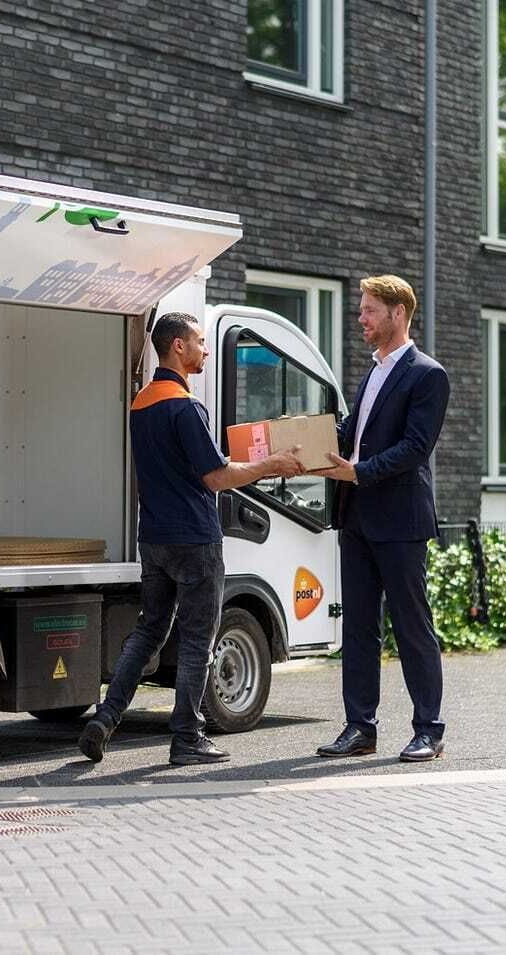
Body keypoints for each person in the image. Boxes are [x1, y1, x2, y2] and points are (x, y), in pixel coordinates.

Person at [79, 311, 304, 766]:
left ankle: (105, 718)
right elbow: (217, 477)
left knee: (148, 631)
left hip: (154, 538)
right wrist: (271, 465)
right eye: (200, 342)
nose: (205, 349)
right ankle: (186, 738)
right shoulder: (186, 407)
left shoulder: (141, 404)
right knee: (198, 639)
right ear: (178, 347)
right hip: (196, 541)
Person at [312, 275, 451, 762]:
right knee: (359, 628)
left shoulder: (427, 374)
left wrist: (359, 471)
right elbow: (354, 432)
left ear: (398, 313)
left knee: (413, 626)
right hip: (358, 519)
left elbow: (415, 448)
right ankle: (360, 728)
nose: (361, 319)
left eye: (369, 310)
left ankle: (429, 730)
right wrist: (309, 442)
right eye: (361, 310)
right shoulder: (371, 373)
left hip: (401, 521)